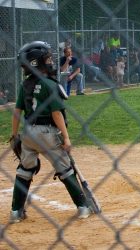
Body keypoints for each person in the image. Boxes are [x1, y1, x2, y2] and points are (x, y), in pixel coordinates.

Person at [9, 41, 91, 223]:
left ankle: (16, 212)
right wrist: (67, 138)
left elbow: (16, 112)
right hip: (47, 134)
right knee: (65, 169)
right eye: (47, 58)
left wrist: (15, 136)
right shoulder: (49, 84)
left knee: (25, 170)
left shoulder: (25, 85)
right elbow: (56, 113)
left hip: (28, 133)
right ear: (36, 63)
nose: (51, 61)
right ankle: (83, 207)